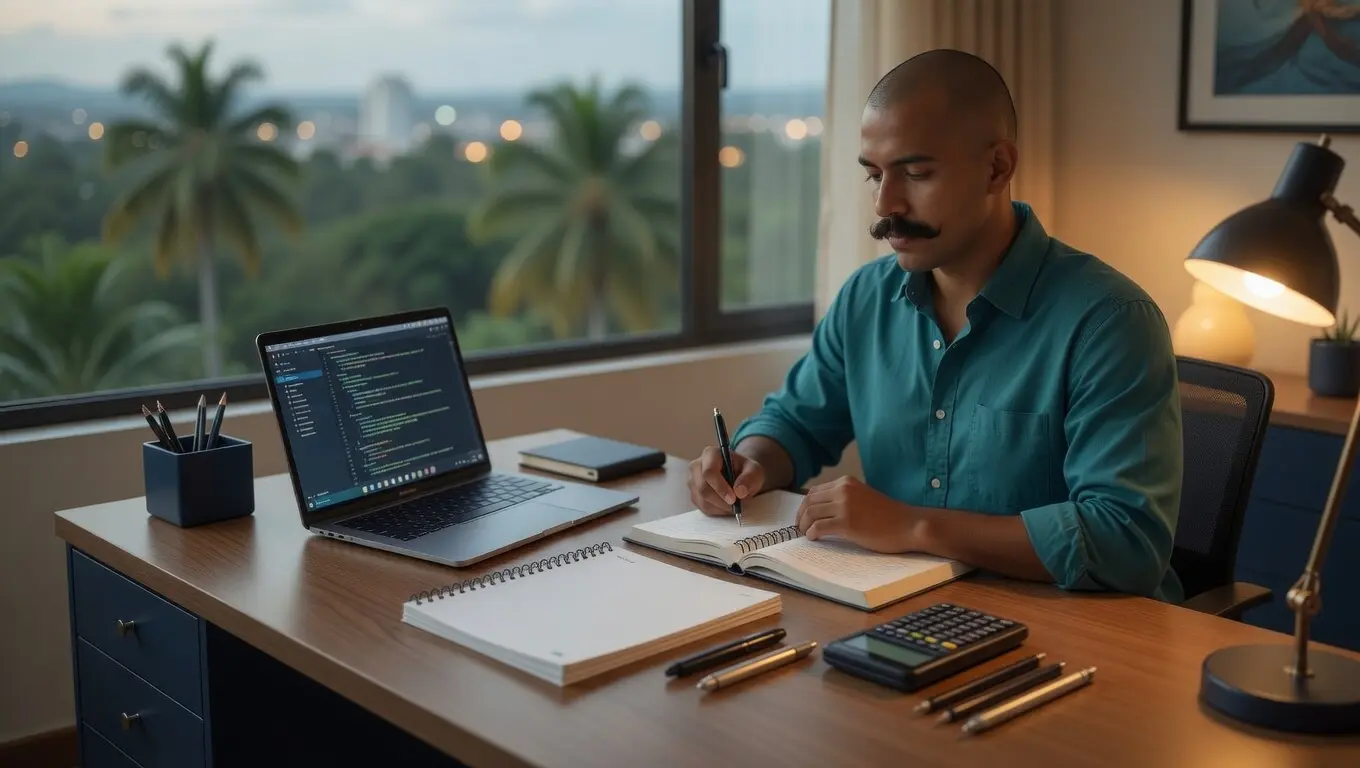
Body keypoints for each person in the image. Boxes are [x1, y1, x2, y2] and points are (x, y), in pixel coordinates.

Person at [687, 49, 1185, 602]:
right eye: (874, 175)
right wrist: (749, 461)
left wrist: (913, 526)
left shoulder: (1110, 322)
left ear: (997, 167)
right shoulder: (866, 299)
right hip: (904, 607)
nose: (886, 203)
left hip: (1078, 632)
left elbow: (1127, 541)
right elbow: (797, 424)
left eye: (916, 173)